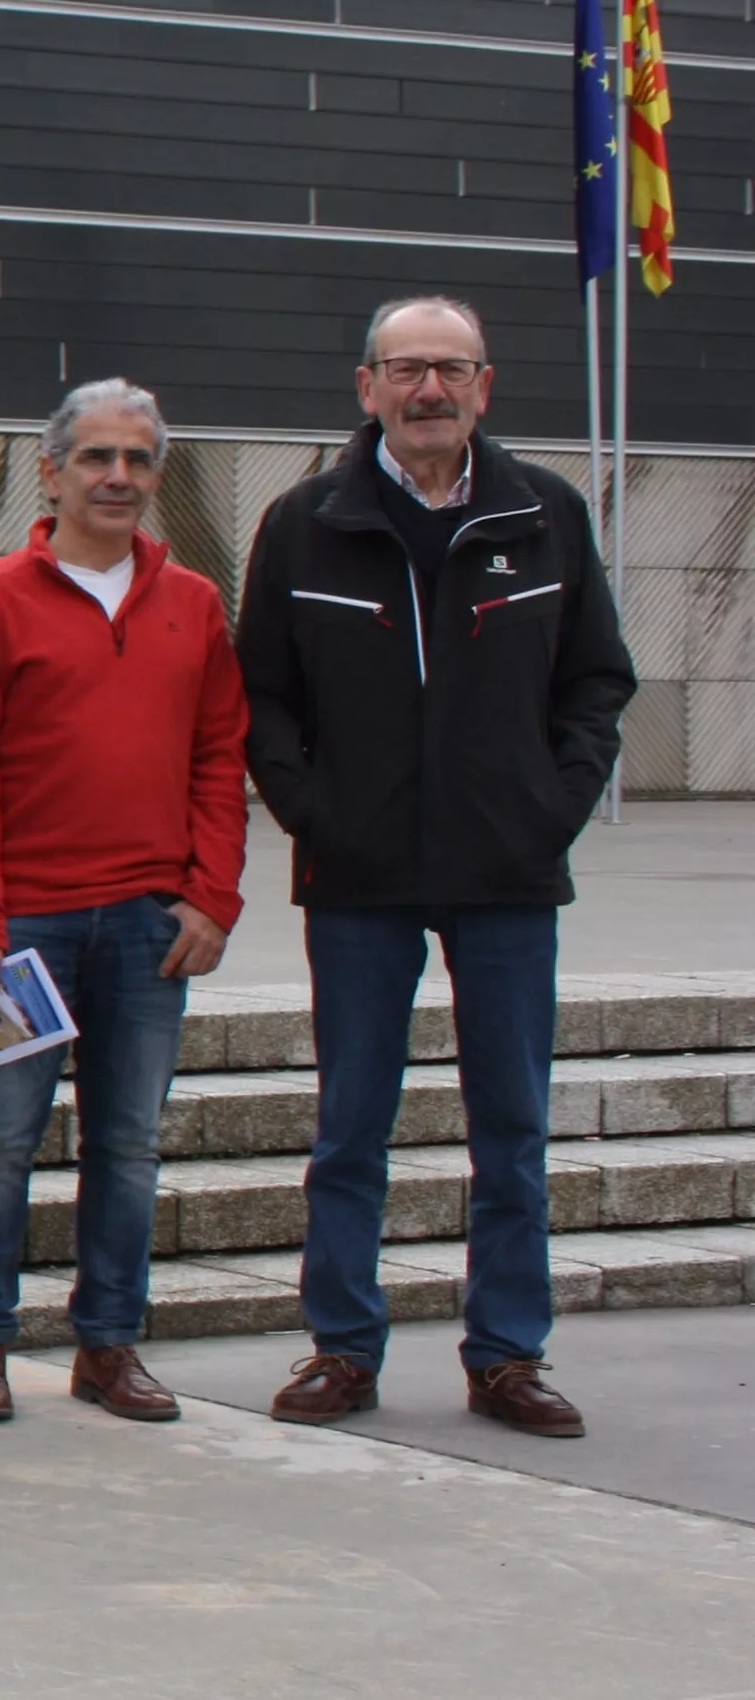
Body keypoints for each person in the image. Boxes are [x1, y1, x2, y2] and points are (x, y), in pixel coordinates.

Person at [239, 297, 635, 1440]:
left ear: (484, 388)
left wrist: (550, 811)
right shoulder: (306, 522)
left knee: (511, 1125)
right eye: (407, 369)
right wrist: (315, 813)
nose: (429, 390)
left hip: (507, 874)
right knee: (350, 1124)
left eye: (451, 370)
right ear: (367, 387)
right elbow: (261, 693)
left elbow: (597, 680)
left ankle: (507, 1354)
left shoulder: (544, 514)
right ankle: (342, 1347)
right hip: (358, 876)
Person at [0, 379, 246, 1424]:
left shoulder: (194, 603)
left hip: (150, 928)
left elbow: (220, 756)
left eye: (138, 459)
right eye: (96, 458)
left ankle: (109, 1346)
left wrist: (211, 898)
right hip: (20, 929)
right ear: (51, 471)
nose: (118, 477)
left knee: (130, 1145)